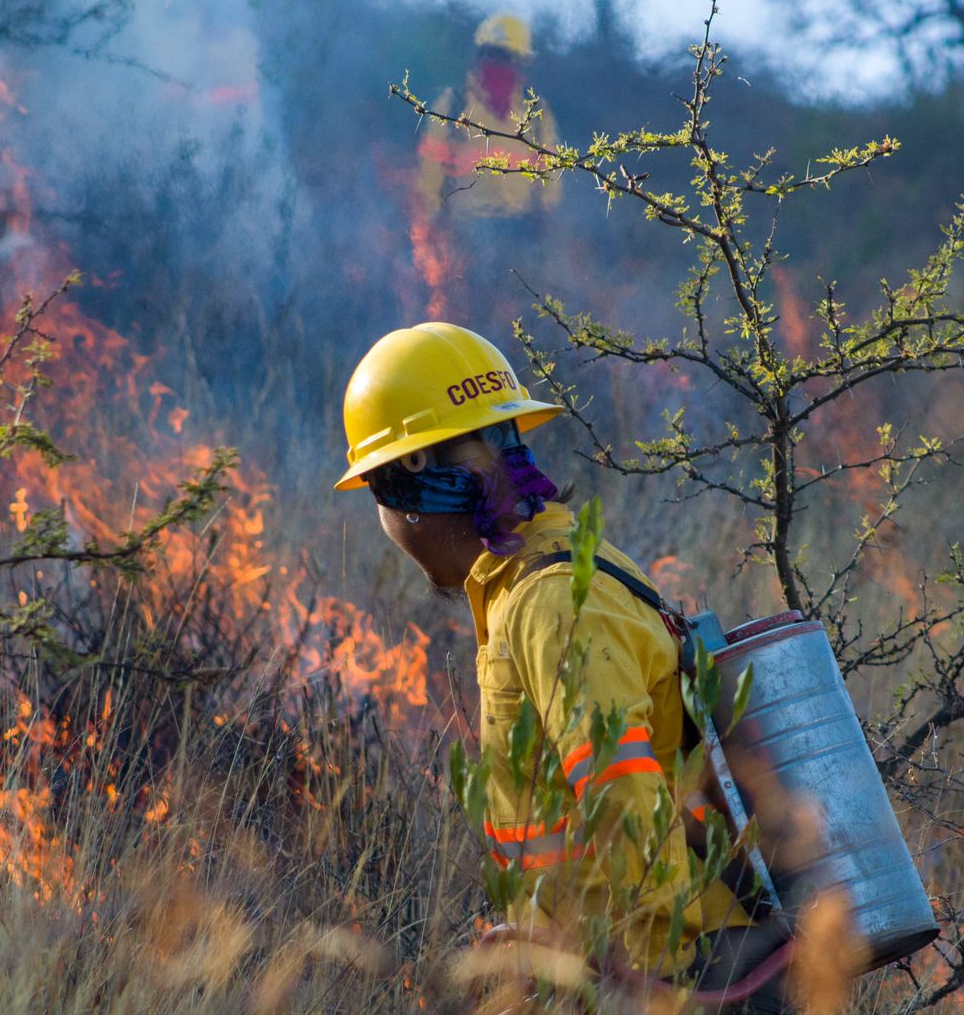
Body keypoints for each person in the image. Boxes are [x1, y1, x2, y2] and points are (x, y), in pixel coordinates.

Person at [334, 322, 792, 1004]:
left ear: (410, 487)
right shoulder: (544, 577)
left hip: (683, 971)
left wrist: (648, 973)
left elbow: (623, 787)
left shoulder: (552, 601)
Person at [414, 14, 563, 221]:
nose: (497, 65)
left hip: (522, 228)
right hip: (465, 226)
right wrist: (434, 219)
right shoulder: (453, 105)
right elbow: (431, 169)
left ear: (520, 63)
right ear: (478, 57)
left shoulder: (536, 113)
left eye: (505, 57)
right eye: (492, 55)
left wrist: (545, 215)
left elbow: (550, 173)